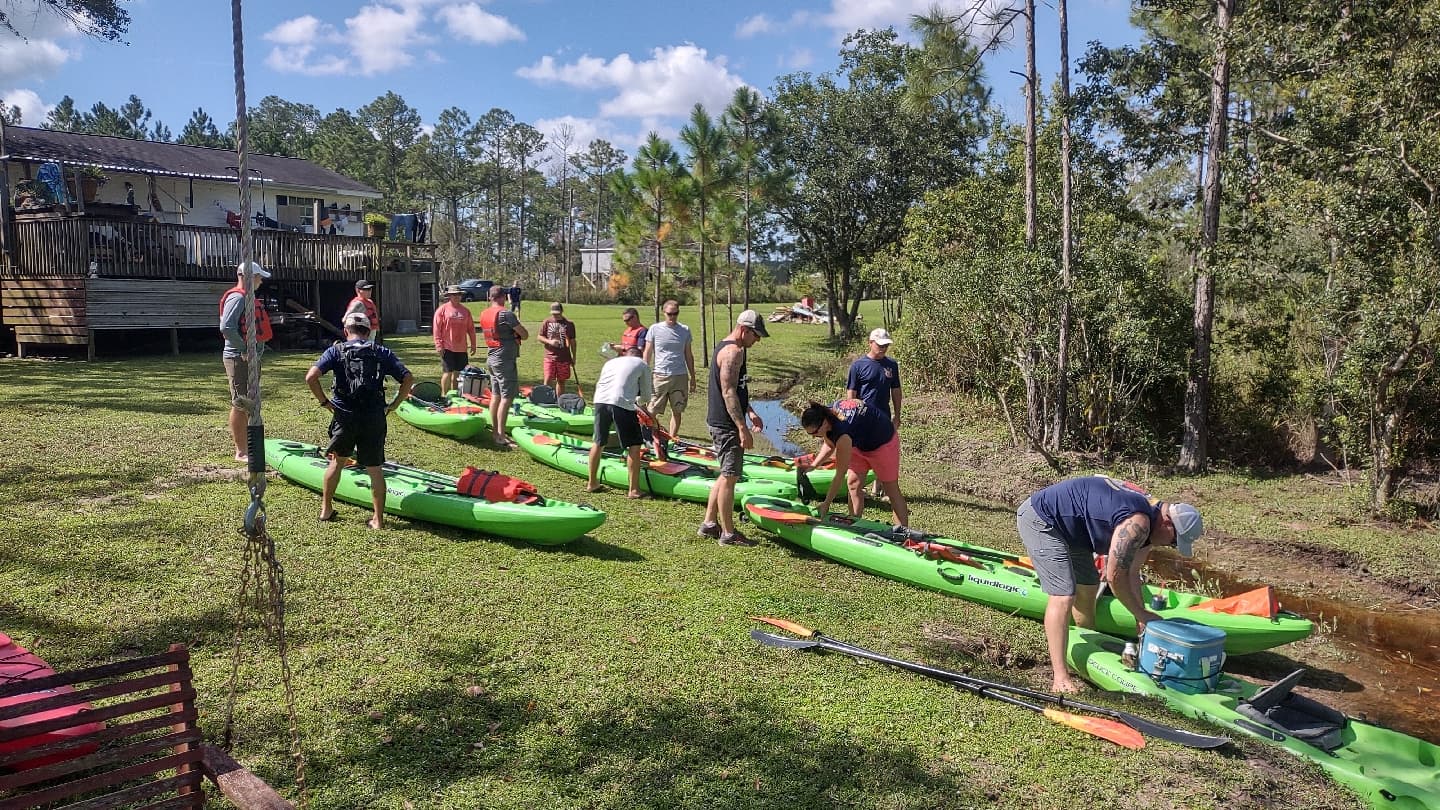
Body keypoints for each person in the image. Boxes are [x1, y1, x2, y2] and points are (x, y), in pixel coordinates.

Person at [1017, 475, 1204, 693]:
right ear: (1168, 524)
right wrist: (1142, 613)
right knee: (1064, 595)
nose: (1170, 546)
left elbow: (1132, 573)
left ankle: (1084, 639)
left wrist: (1140, 616)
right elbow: (1115, 576)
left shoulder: (1151, 524)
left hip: (1075, 530)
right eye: (1173, 541)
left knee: (1088, 587)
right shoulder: (1138, 523)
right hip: (1043, 518)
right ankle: (1060, 677)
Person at [304, 312, 413, 530]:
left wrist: (325, 402)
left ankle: (326, 510)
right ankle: (378, 520)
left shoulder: (335, 351)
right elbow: (408, 378)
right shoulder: (381, 351)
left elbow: (311, 377)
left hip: (344, 416)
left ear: (346, 331)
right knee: (375, 468)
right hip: (373, 416)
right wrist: (394, 404)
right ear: (368, 331)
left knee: (337, 462)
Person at [698, 310, 768, 547]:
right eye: (756, 335)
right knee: (730, 477)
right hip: (726, 424)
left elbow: (738, 389)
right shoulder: (733, 352)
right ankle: (728, 534)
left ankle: (709, 524)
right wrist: (741, 427)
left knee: (725, 473)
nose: (757, 340)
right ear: (744, 330)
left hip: (723, 422)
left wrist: (751, 412)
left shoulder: (733, 348)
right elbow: (728, 393)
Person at [798, 399, 911, 530]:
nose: (813, 437)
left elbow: (840, 475)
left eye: (814, 433)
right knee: (853, 483)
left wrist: (826, 503)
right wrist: (814, 464)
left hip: (882, 442)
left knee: (891, 490)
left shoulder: (843, 434)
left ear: (823, 423)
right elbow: (829, 442)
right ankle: (855, 523)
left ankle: (903, 533)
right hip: (859, 441)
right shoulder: (824, 413)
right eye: (809, 433)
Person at [218, 262, 273, 462]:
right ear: (248, 277)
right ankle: (241, 451)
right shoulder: (238, 298)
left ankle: (250, 447)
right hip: (238, 357)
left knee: (250, 401)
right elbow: (227, 327)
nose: (261, 281)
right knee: (241, 402)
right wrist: (244, 349)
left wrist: (256, 352)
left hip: (250, 357)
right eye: (259, 277)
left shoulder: (248, 297)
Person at [586, 346, 655, 498]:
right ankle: (634, 490)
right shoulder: (642, 364)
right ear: (640, 356)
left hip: (600, 401)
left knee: (599, 442)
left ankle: (592, 483)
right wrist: (638, 403)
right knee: (634, 445)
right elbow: (646, 395)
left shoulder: (611, 362)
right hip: (621, 403)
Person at [846, 327, 902, 497]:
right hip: (862, 418)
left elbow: (896, 390)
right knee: (860, 451)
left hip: (883, 417)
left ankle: (878, 488)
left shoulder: (891, 365)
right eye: (880, 345)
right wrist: (851, 417)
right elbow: (851, 393)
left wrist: (897, 414)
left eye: (886, 345)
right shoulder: (858, 365)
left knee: (883, 452)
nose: (883, 348)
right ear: (870, 343)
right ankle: (858, 487)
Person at [478, 284, 528, 447]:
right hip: (504, 360)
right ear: (503, 297)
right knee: (507, 397)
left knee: (496, 395)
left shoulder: (484, 313)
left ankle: (495, 433)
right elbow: (524, 334)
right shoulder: (506, 314)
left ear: (490, 297)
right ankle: (500, 435)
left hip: (492, 358)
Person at [643, 300, 696, 438]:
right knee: (651, 410)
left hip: (680, 376)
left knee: (677, 410)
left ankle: (672, 438)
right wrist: (643, 372)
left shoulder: (685, 330)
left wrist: (693, 377)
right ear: (663, 313)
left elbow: (688, 354)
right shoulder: (654, 329)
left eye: (675, 313)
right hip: (660, 376)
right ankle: (654, 435)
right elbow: (647, 352)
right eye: (669, 314)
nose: (672, 317)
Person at [432, 284, 475, 394]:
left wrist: (473, 344)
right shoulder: (442, 310)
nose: (457, 296)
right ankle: (444, 395)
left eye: (459, 294)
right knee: (447, 372)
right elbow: (436, 329)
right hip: (447, 347)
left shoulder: (465, 311)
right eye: (454, 294)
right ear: (449, 296)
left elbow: (471, 329)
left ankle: (454, 396)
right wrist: (439, 345)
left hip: (462, 348)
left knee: (458, 373)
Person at [538, 301, 578, 395]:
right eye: (553, 314)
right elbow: (539, 337)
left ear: (562, 311)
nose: (555, 316)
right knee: (548, 379)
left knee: (561, 381)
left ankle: (559, 399)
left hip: (564, 358)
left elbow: (573, 342)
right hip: (549, 357)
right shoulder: (547, 322)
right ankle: (545, 398)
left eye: (557, 313)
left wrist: (574, 357)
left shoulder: (569, 324)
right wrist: (550, 342)